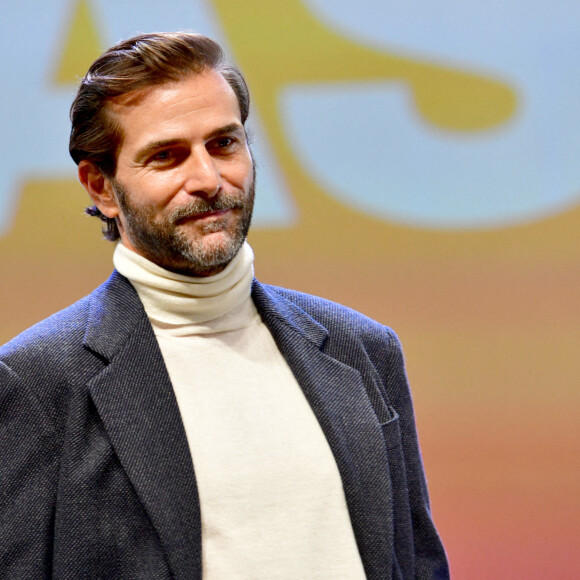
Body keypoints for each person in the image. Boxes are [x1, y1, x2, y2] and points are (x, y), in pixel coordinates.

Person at [0, 32, 448, 579]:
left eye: (224, 144)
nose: (208, 180)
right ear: (102, 188)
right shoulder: (37, 382)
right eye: (167, 156)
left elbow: (418, 563)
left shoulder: (363, 348)